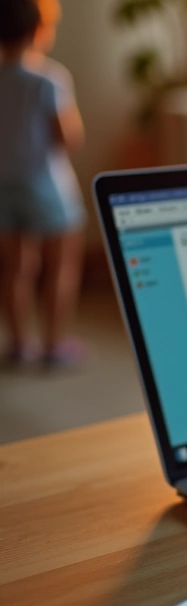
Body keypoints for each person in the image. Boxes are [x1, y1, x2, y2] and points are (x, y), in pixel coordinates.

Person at [0, 0, 86, 367]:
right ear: (40, 30)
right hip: (46, 188)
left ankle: (20, 344)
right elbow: (67, 139)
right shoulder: (50, 80)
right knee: (60, 268)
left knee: (14, 269)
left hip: (4, 185)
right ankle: (53, 344)